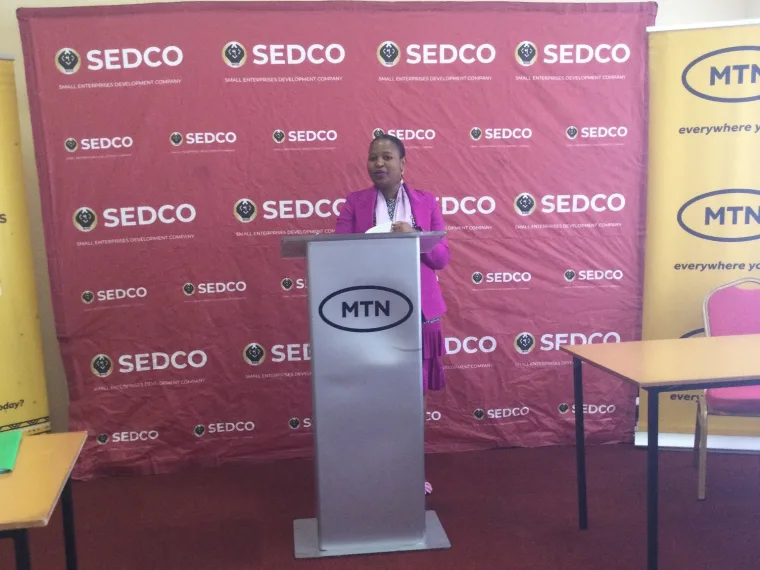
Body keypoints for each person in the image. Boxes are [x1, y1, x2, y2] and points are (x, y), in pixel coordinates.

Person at [335, 134, 450, 496]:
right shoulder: (354, 203)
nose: (379, 164)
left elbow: (441, 258)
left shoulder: (426, 202)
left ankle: (409, 471)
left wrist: (416, 234)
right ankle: (372, 471)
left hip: (420, 311)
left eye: (387, 157)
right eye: (373, 158)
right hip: (371, 312)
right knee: (374, 393)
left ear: (403, 163)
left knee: (414, 394)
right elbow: (336, 252)